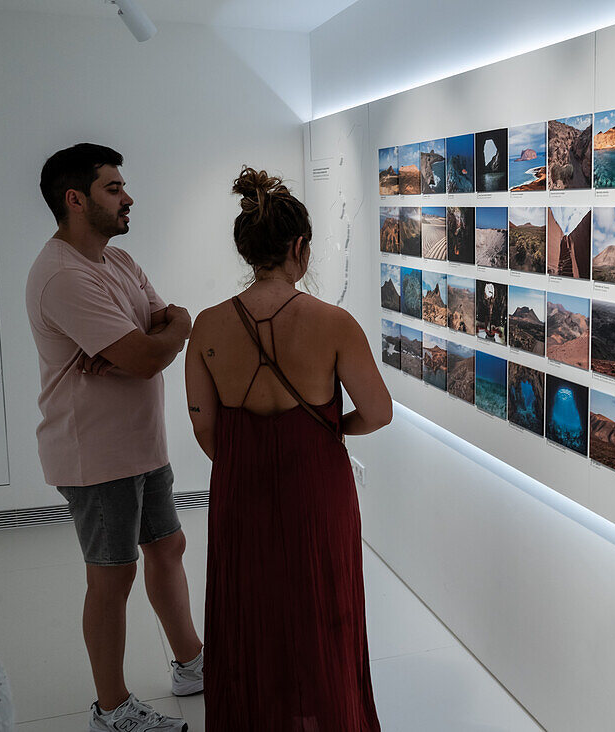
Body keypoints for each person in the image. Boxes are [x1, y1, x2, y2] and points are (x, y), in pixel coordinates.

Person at [185, 167, 391, 729]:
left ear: (247, 249)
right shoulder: (334, 323)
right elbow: (378, 412)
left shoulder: (205, 328)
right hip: (317, 485)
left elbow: (205, 429)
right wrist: (326, 433)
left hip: (240, 487)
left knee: (248, 611)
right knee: (325, 611)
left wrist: (250, 459)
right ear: (300, 247)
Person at [26, 143, 203, 732]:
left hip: (140, 444)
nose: (127, 197)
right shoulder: (60, 277)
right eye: (113, 188)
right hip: (95, 453)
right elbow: (151, 354)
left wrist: (161, 334)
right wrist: (150, 344)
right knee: (111, 576)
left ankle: (191, 663)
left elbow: (173, 322)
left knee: (168, 548)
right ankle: (112, 706)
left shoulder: (118, 264)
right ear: (75, 200)